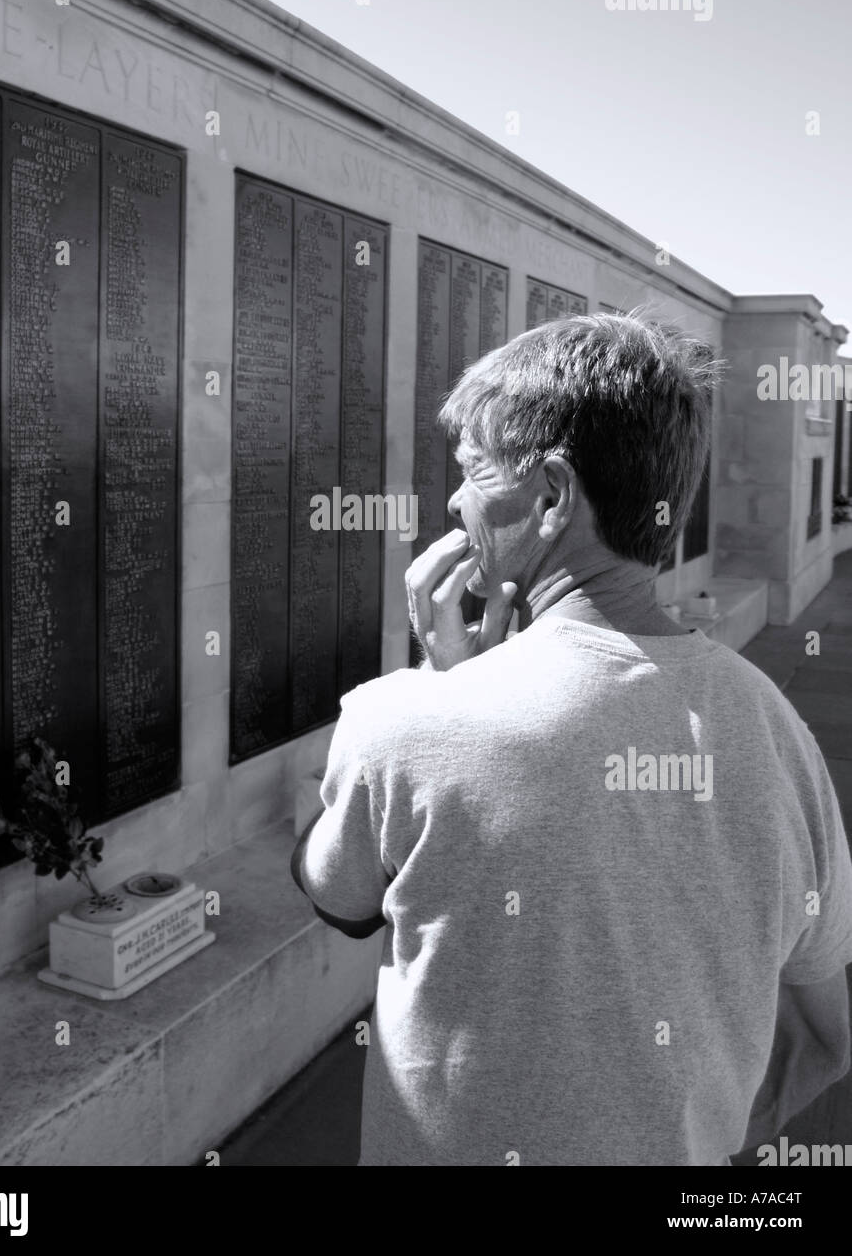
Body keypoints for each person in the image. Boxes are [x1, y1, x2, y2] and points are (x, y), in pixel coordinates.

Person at [291, 312, 852, 1166]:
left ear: (551, 496)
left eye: (474, 470)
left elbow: (338, 898)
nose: (452, 501)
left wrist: (448, 687)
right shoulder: (780, 735)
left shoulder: (401, 720)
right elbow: (823, 1043)